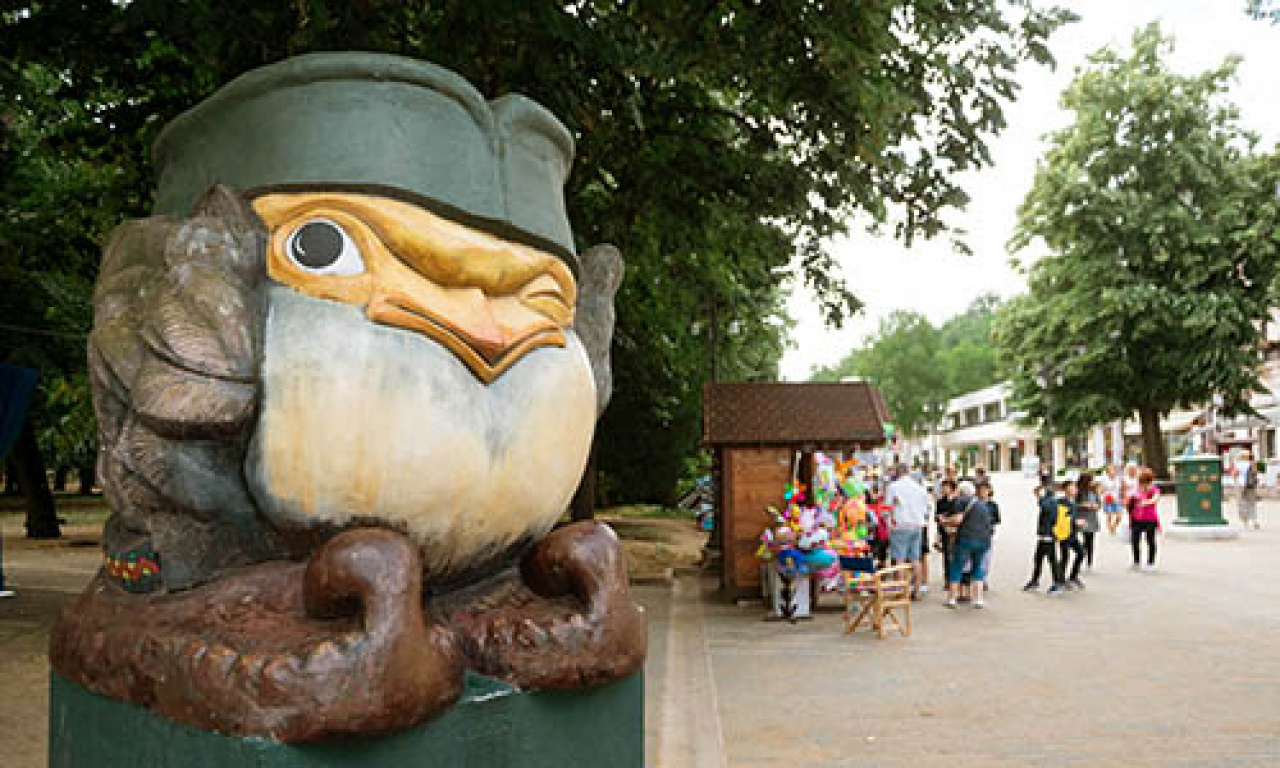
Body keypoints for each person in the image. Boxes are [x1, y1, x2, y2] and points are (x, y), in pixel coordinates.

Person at [884, 464, 931, 599]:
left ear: (898, 473)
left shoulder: (893, 487)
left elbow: (887, 507)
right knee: (915, 559)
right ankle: (916, 591)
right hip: (917, 525)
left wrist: (888, 523)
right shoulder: (920, 488)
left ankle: (901, 591)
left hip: (900, 525)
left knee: (899, 560)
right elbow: (926, 509)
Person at [943, 480, 992, 609]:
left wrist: (945, 521)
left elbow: (958, 520)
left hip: (966, 540)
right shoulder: (981, 504)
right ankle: (979, 599)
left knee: (956, 567)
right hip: (984, 540)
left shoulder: (962, 502)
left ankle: (952, 599)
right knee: (977, 568)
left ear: (962, 492)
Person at [1024, 474, 1066, 595]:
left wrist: (1039, 497)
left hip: (1048, 535)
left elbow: (1045, 507)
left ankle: (1057, 583)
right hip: (1045, 535)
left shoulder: (1051, 501)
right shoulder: (1051, 500)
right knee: (1038, 559)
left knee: (1051, 560)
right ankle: (1035, 580)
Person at [1056, 479, 1086, 590]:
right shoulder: (1061, 501)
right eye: (1073, 487)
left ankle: (1073, 577)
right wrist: (1075, 522)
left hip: (1072, 533)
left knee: (1081, 553)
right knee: (1065, 556)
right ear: (1066, 489)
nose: (1076, 489)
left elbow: (1071, 517)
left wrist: (1078, 523)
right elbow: (1061, 518)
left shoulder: (1072, 502)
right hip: (1064, 534)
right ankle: (1060, 580)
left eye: (1075, 487)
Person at [1129, 468, 1161, 572]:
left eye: (1144, 481)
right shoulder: (1137, 488)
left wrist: (1145, 502)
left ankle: (1150, 563)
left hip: (1149, 518)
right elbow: (1131, 499)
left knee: (1150, 540)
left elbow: (1156, 499)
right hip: (1136, 517)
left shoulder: (1154, 489)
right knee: (1135, 540)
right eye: (1141, 481)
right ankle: (1136, 561)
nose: (1142, 484)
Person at [934, 479, 958, 594]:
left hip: (957, 533)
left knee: (956, 556)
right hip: (944, 532)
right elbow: (937, 519)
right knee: (947, 557)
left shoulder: (958, 501)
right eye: (943, 487)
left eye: (946, 487)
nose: (944, 489)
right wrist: (937, 536)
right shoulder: (940, 502)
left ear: (952, 488)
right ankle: (948, 579)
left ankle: (957, 579)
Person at [1076, 472, 1101, 571]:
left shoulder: (1093, 491)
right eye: (1091, 480)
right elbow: (1074, 504)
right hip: (1082, 518)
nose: (1093, 482)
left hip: (1092, 518)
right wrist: (1084, 505)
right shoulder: (1079, 492)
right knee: (1086, 540)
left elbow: (1099, 503)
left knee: (1090, 541)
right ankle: (1081, 560)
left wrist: (1097, 506)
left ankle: (1089, 563)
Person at [1235, 450, 1260, 530]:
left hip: (1240, 485)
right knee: (1252, 503)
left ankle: (1246, 523)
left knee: (1242, 503)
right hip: (1250, 485)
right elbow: (1255, 473)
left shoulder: (1237, 464)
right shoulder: (1252, 464)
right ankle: (1255, 521)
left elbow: (1235, 474)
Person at [1100, 464, 1123, 534]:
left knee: (1119, 516)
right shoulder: (1104, 479)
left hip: (1116, 499)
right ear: (1107, 472)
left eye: (1113, 470)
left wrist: (1122, 498)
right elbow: (1101, 490)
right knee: (1109, 515)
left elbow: (1121, 489)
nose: (1113, 471)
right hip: (1108, 499)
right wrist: (1103, 494)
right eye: (1110, 470)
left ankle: (1114, 527)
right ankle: (1110, 528)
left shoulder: (1118, 479)